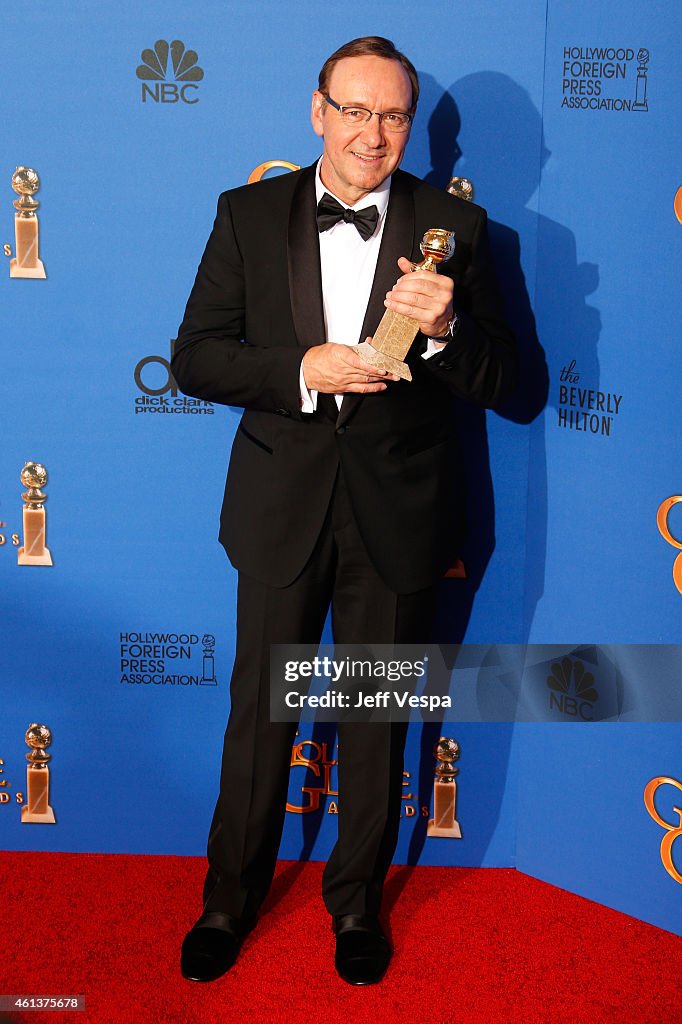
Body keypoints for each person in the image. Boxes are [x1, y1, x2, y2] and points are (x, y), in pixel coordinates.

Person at [172, 35, 517, 986]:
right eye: (356, 111)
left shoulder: (462, 231)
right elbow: (195, 355)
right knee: (259, 719)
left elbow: (514, 386)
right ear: (318, 110)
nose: (374, 134)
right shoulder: (246, 214)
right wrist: (299, 369)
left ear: (412, 124)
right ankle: (227, 900)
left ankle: (356, 903)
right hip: (280, 505)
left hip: (396, 517)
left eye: (394, 115)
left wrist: (445, 335)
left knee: (374, 721)